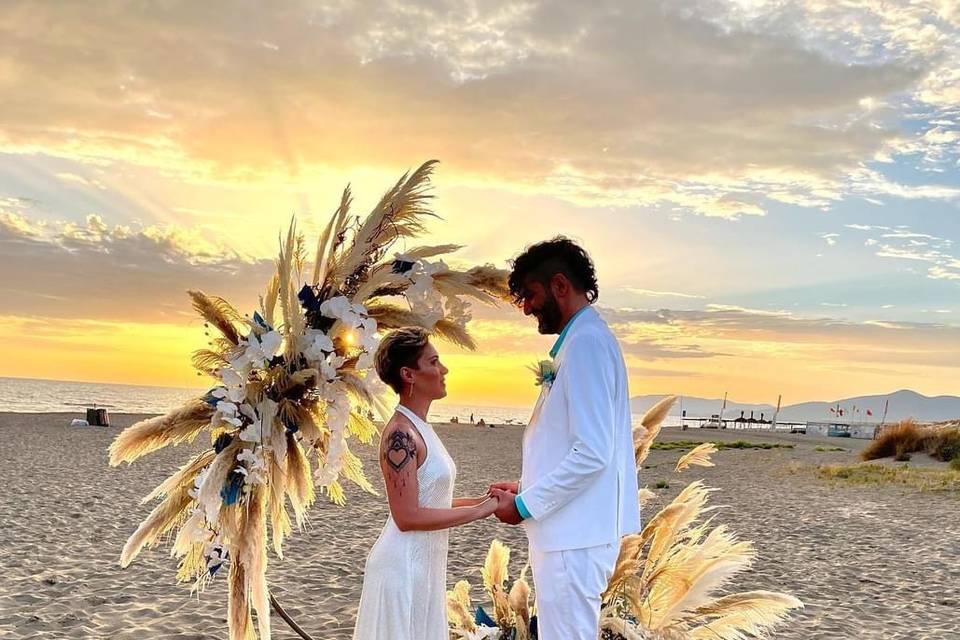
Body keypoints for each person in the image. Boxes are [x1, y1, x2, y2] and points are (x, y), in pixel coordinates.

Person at [489, 237, 640, 640]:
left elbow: (593, 453)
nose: (526, 307)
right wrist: (526, 486)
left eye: (531, 295)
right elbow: (572, 445)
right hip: (569, 535)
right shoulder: (580, 340)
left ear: (560, 285)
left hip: (574, 539)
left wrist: (524, 504)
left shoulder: (587, 343)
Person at [353, 327, 499, 640]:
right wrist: (480, 512)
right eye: (433, 362)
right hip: (402, 569)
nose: (443, 369)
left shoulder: (420, 427)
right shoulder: (400, 434)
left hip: (425, 570)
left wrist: (483, 500)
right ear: (409, 375)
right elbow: (407, 517)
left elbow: (432, 503)